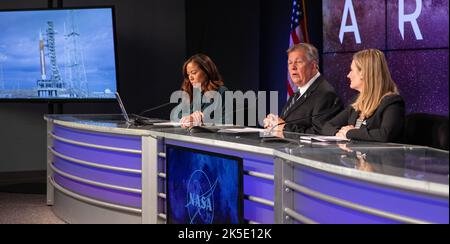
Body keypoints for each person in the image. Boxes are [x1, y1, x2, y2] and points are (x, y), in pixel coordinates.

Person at [322, 49, 405, 143]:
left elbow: (385, 135)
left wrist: (350, 133)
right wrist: (339, 133)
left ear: (363, 73)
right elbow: (327, 126)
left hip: (378, 157)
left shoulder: (392, 102)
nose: (348, 75)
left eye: (352, 70)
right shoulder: (357, 102)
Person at [263, 43, 342, 134]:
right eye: (290, 63)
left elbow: (320, 134)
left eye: (299, 62)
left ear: (313, 65)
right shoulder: (299, 92)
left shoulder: (326, 94)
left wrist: (284, 128)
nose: (293, 67)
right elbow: (286, 123)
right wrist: (274, 124)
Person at [177, 54, 228, 127]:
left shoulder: (221, 91)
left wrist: (204, 121)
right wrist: (189, 118)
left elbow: (225, 122)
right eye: (188, 74)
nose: (190, 78)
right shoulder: (191, 92)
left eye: (194, 73)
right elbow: (178, 115)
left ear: (206, 71)